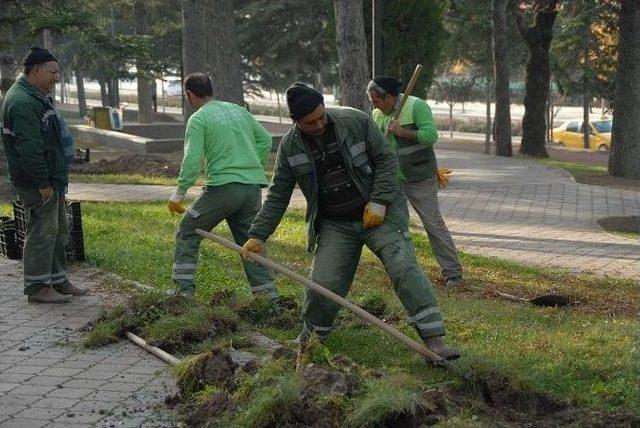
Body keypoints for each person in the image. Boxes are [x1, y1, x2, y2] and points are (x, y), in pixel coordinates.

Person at [242, 83, 460, 360]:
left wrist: (379, 200)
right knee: (321, 286)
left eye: (322, 116)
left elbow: (387, 159)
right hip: (336, 225)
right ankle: (311, 340)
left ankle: (435, 341)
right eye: (310, 122)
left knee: (403, 267)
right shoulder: (290, 147)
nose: (319, 124)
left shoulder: (355, 121)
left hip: (379, 217)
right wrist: (258, 234)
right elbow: (277, 196)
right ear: (296, 122)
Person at [168, 72, 278, 300]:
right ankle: (268, 299)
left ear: (189, 95)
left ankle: (182, 293)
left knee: (187, 231)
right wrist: (251, 165)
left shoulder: (199, 119)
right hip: (252, 189)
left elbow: (191, 159)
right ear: (210, 90)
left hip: (223, 190)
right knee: (251, 242)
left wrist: (179, 193)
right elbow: (266, 139)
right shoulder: (238, 111)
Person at [0, 47, 86, 303]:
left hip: (52, 179)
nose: (56, 77)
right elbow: (29, 149)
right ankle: (38, 288)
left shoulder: (36, 95)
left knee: (58, 230)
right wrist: (42, 182)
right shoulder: (22, 102)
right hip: (38, 182)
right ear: (35, 71)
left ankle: (59, 279)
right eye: (53, 72)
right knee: (41, 232)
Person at [368, 77, 463, 287]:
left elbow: (430, 136)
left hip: (420, 177)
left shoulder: (416, 106)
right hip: (393, 180)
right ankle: (402, 269)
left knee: (433, 224)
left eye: (376, 100)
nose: (374, 105)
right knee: (396, 226)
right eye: (372, 101)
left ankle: (452, 273)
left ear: (390, 97)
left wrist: (402, 132)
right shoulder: (377, 114)